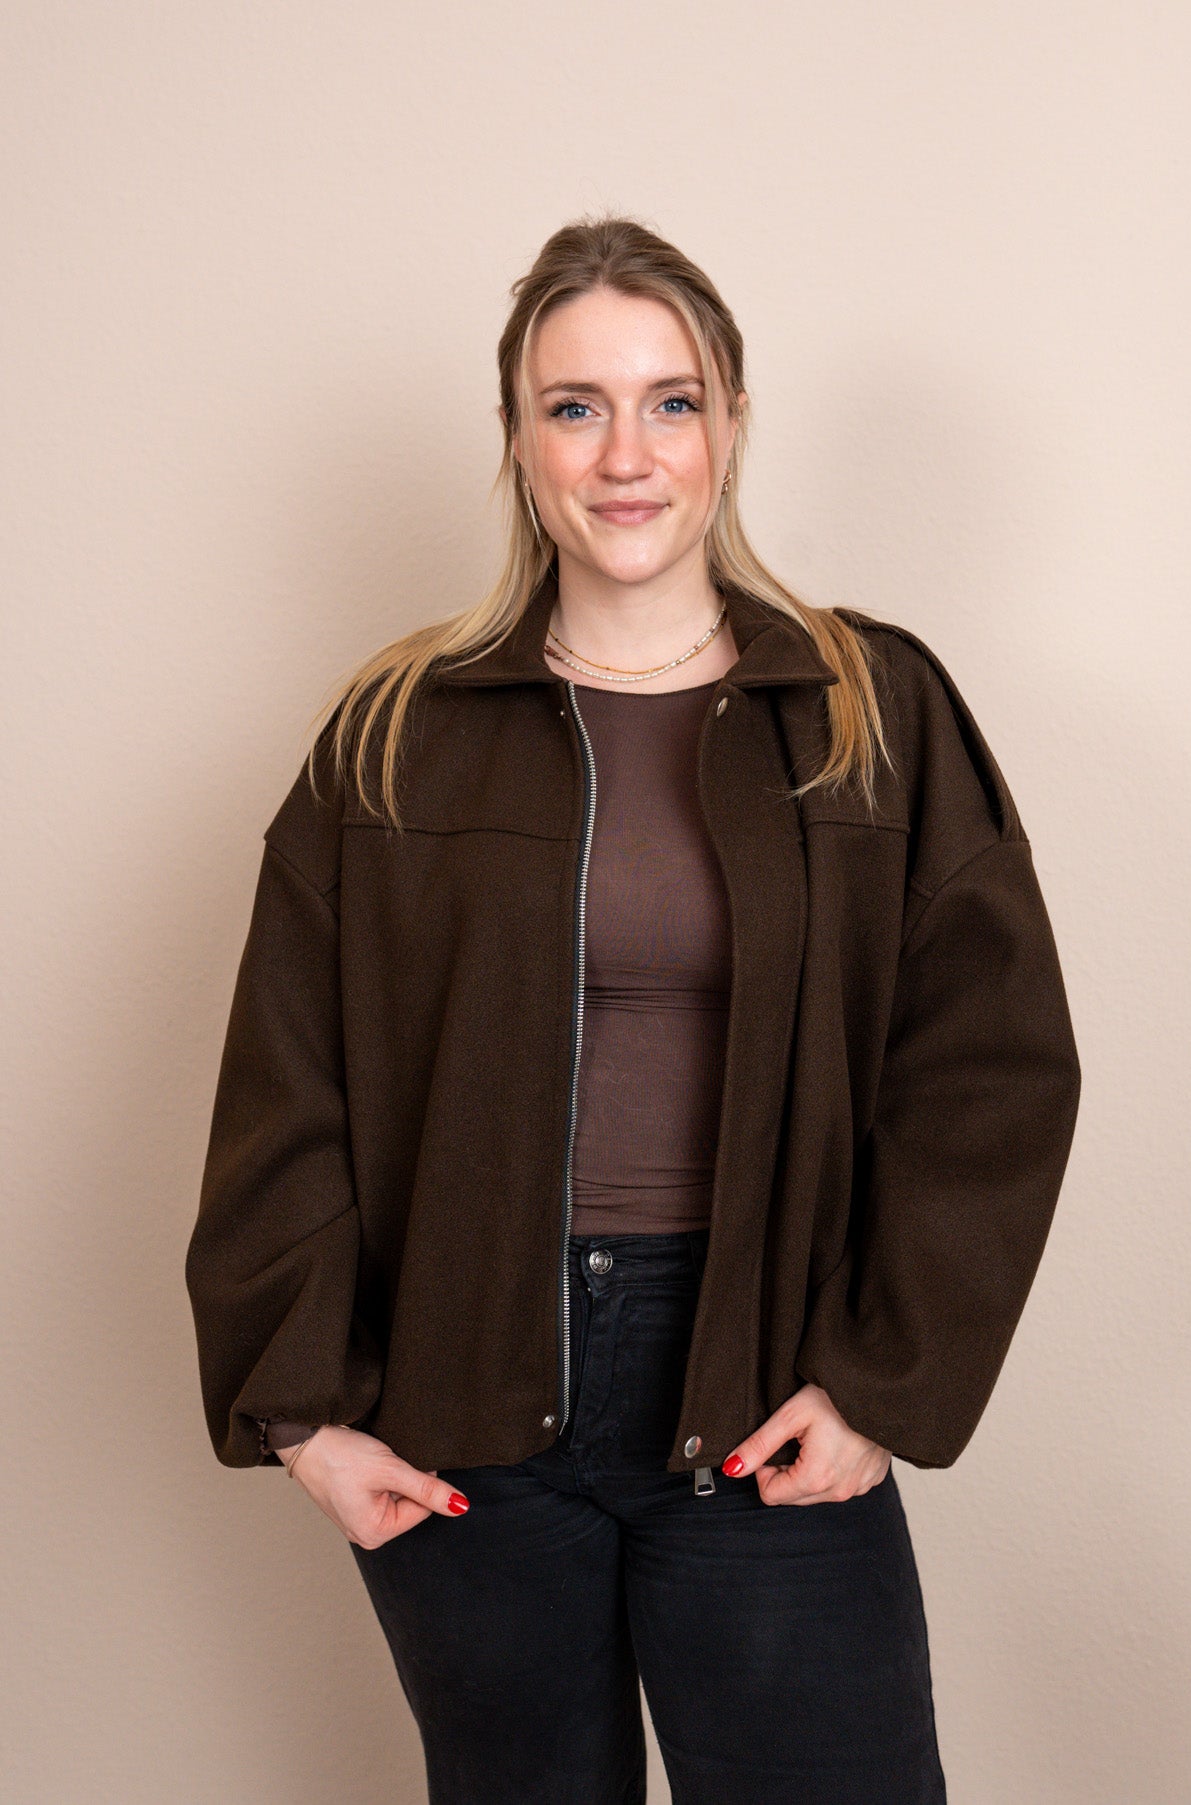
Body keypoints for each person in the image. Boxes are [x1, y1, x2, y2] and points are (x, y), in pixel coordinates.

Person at [186, 213, 1081, 1804]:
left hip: (758, 1378)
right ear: (517, 438)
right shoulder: (397, 732)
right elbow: (289, 1075)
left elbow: (987, 1067)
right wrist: (302, 1413)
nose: (625, 454)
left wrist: (880, 1381)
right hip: (467, 1398)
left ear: (730, 422)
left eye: (670, 401)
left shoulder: (867, 707)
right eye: (574, 406)